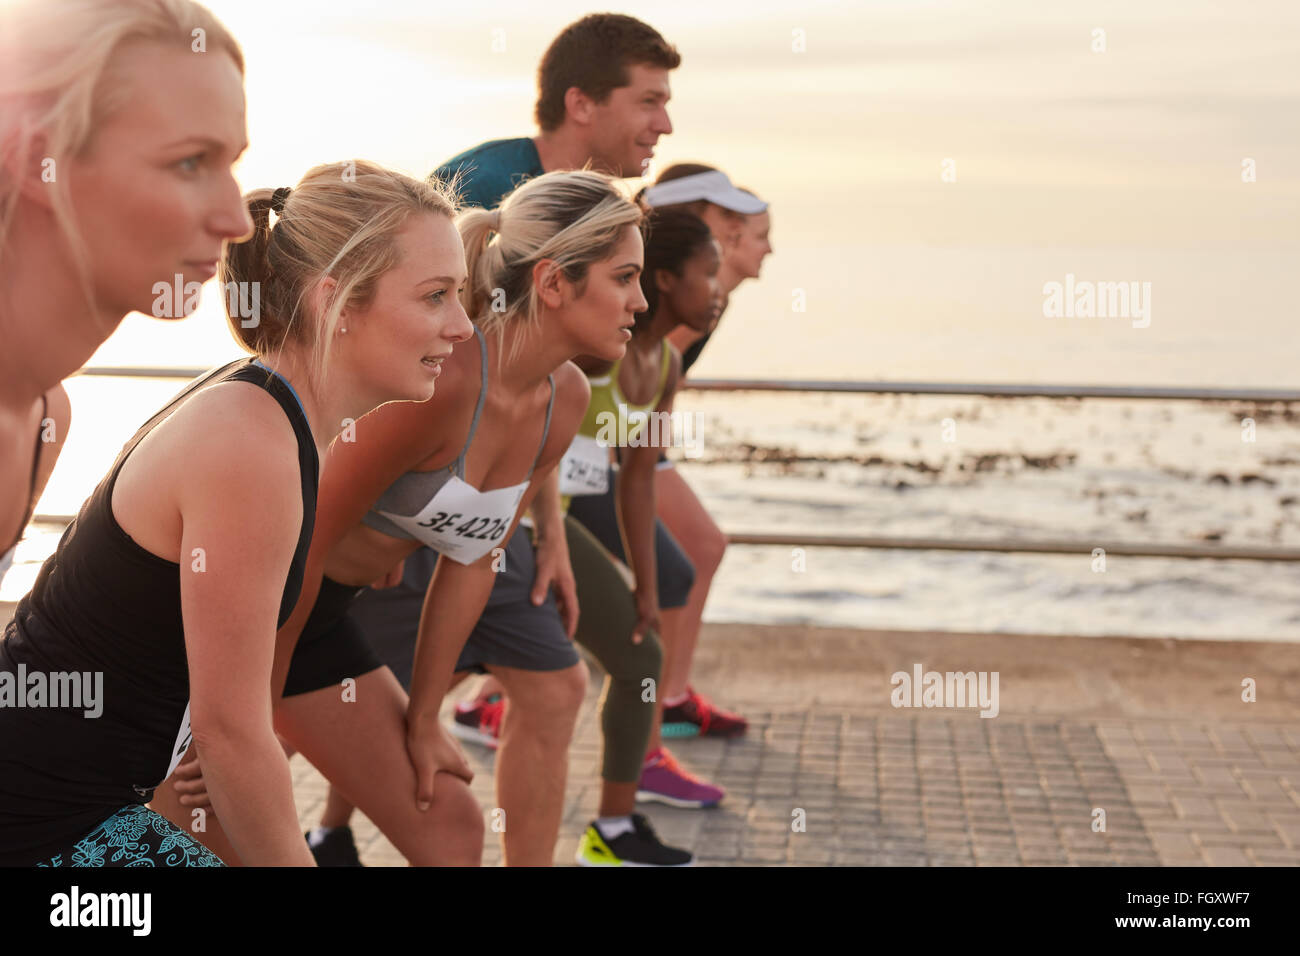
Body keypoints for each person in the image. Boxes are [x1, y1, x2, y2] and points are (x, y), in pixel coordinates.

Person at [151, 169, 650, 868]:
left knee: (447, 820)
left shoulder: (561, 400)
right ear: (553, 283)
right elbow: (303, 548)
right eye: (624, 278)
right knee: (206, 828)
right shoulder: (437, 382)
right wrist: (243, 721)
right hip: (242, 619)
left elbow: (474, 560)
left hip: (324, 619)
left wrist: (423, 721)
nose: (641, 300)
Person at [0, 158, 465, 866]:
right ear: (333, 301)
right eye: (435, 295)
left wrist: (185, 743)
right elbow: (236, 737)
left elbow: (214, 714)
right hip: (49, 836)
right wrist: (209, 746)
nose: (462, 326)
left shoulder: (265, 409)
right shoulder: (251, 442)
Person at [0, 0, 247, 587]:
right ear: (38, 159)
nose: (236, 218)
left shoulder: (42, 415)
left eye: (231, 163)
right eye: (190, 162)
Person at [639, 164, 771, 739]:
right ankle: (667, 698)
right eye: (744, 227)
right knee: (699, 547)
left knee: (683, 556)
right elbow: (643, 366)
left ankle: (669, 694)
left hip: (630, 444)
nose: (760, 243)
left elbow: (662, 374)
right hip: (615, 444)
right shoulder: (702, 292)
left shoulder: (715, 294)